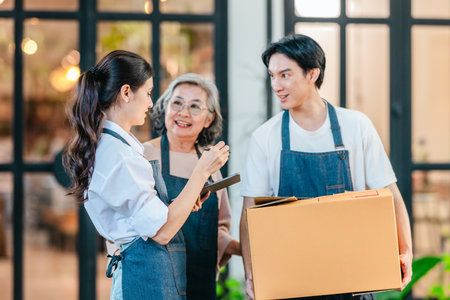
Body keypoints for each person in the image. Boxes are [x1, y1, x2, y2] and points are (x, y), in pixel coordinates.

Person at [239, 34, 413, 300]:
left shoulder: (356, 125)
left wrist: (405, 252)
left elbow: (391, 195)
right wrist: (251, 275)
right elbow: (250, 213)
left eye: (285, 75)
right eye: (272, 75)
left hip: (352, 277)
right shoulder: (265, 136)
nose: (276, 84)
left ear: (312, 73)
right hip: (289, 281)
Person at [63, 50, 229, 300]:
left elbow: (142, 219)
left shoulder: (119, 148)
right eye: (149, 93)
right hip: (143, 280)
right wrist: (201, 171)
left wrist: (183, 202)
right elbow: (162, 232)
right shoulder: (122, 156)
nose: (152, 104)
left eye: (195, 106)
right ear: (127, 92)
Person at [146, 73, 241, 299]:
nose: (184, 112)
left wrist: (245, 250)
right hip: (155, 282)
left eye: (195, 106)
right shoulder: (145, 155)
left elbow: (216, 229)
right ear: (165, 108)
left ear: (209, 119)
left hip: (200, 284)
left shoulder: (211, 164)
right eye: (177, 102)